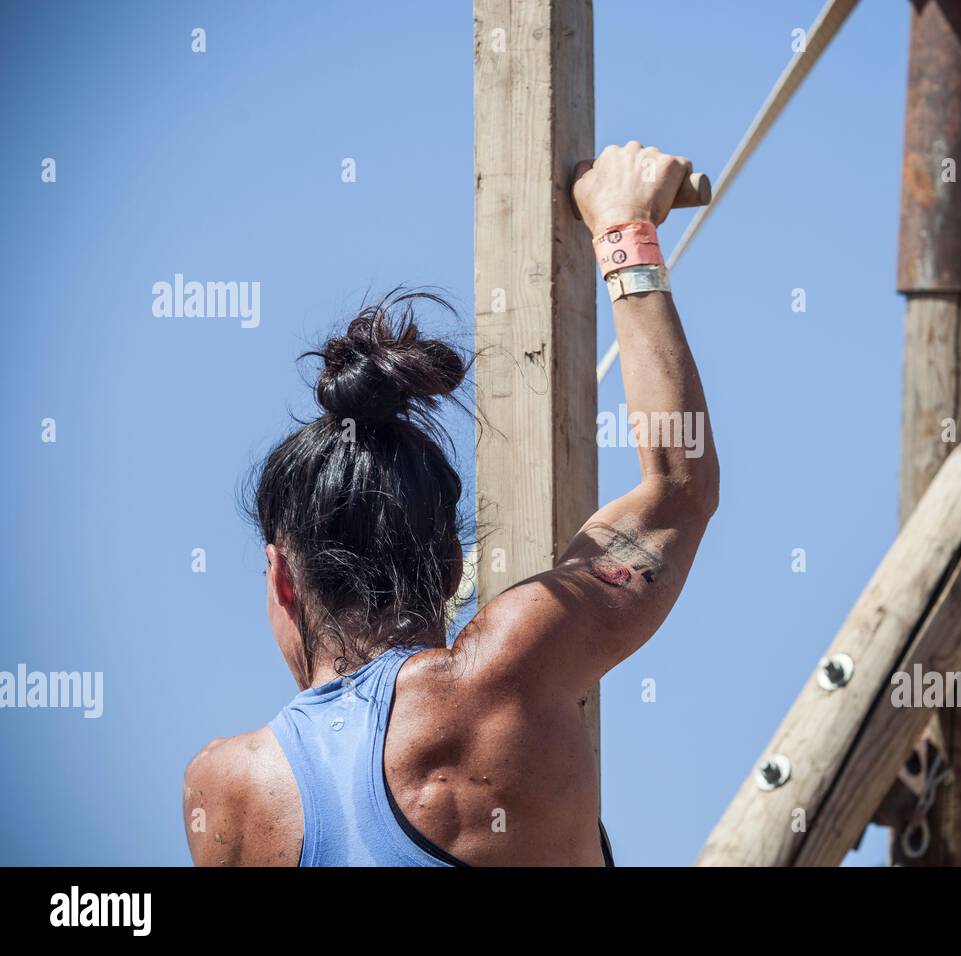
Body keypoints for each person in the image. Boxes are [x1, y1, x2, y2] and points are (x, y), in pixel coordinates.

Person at [182, 142, 720, 866]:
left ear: (282, 578)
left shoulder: (224, 790)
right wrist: (623, 226)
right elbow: (676, 488)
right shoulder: (507, 672)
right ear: (448, 568)